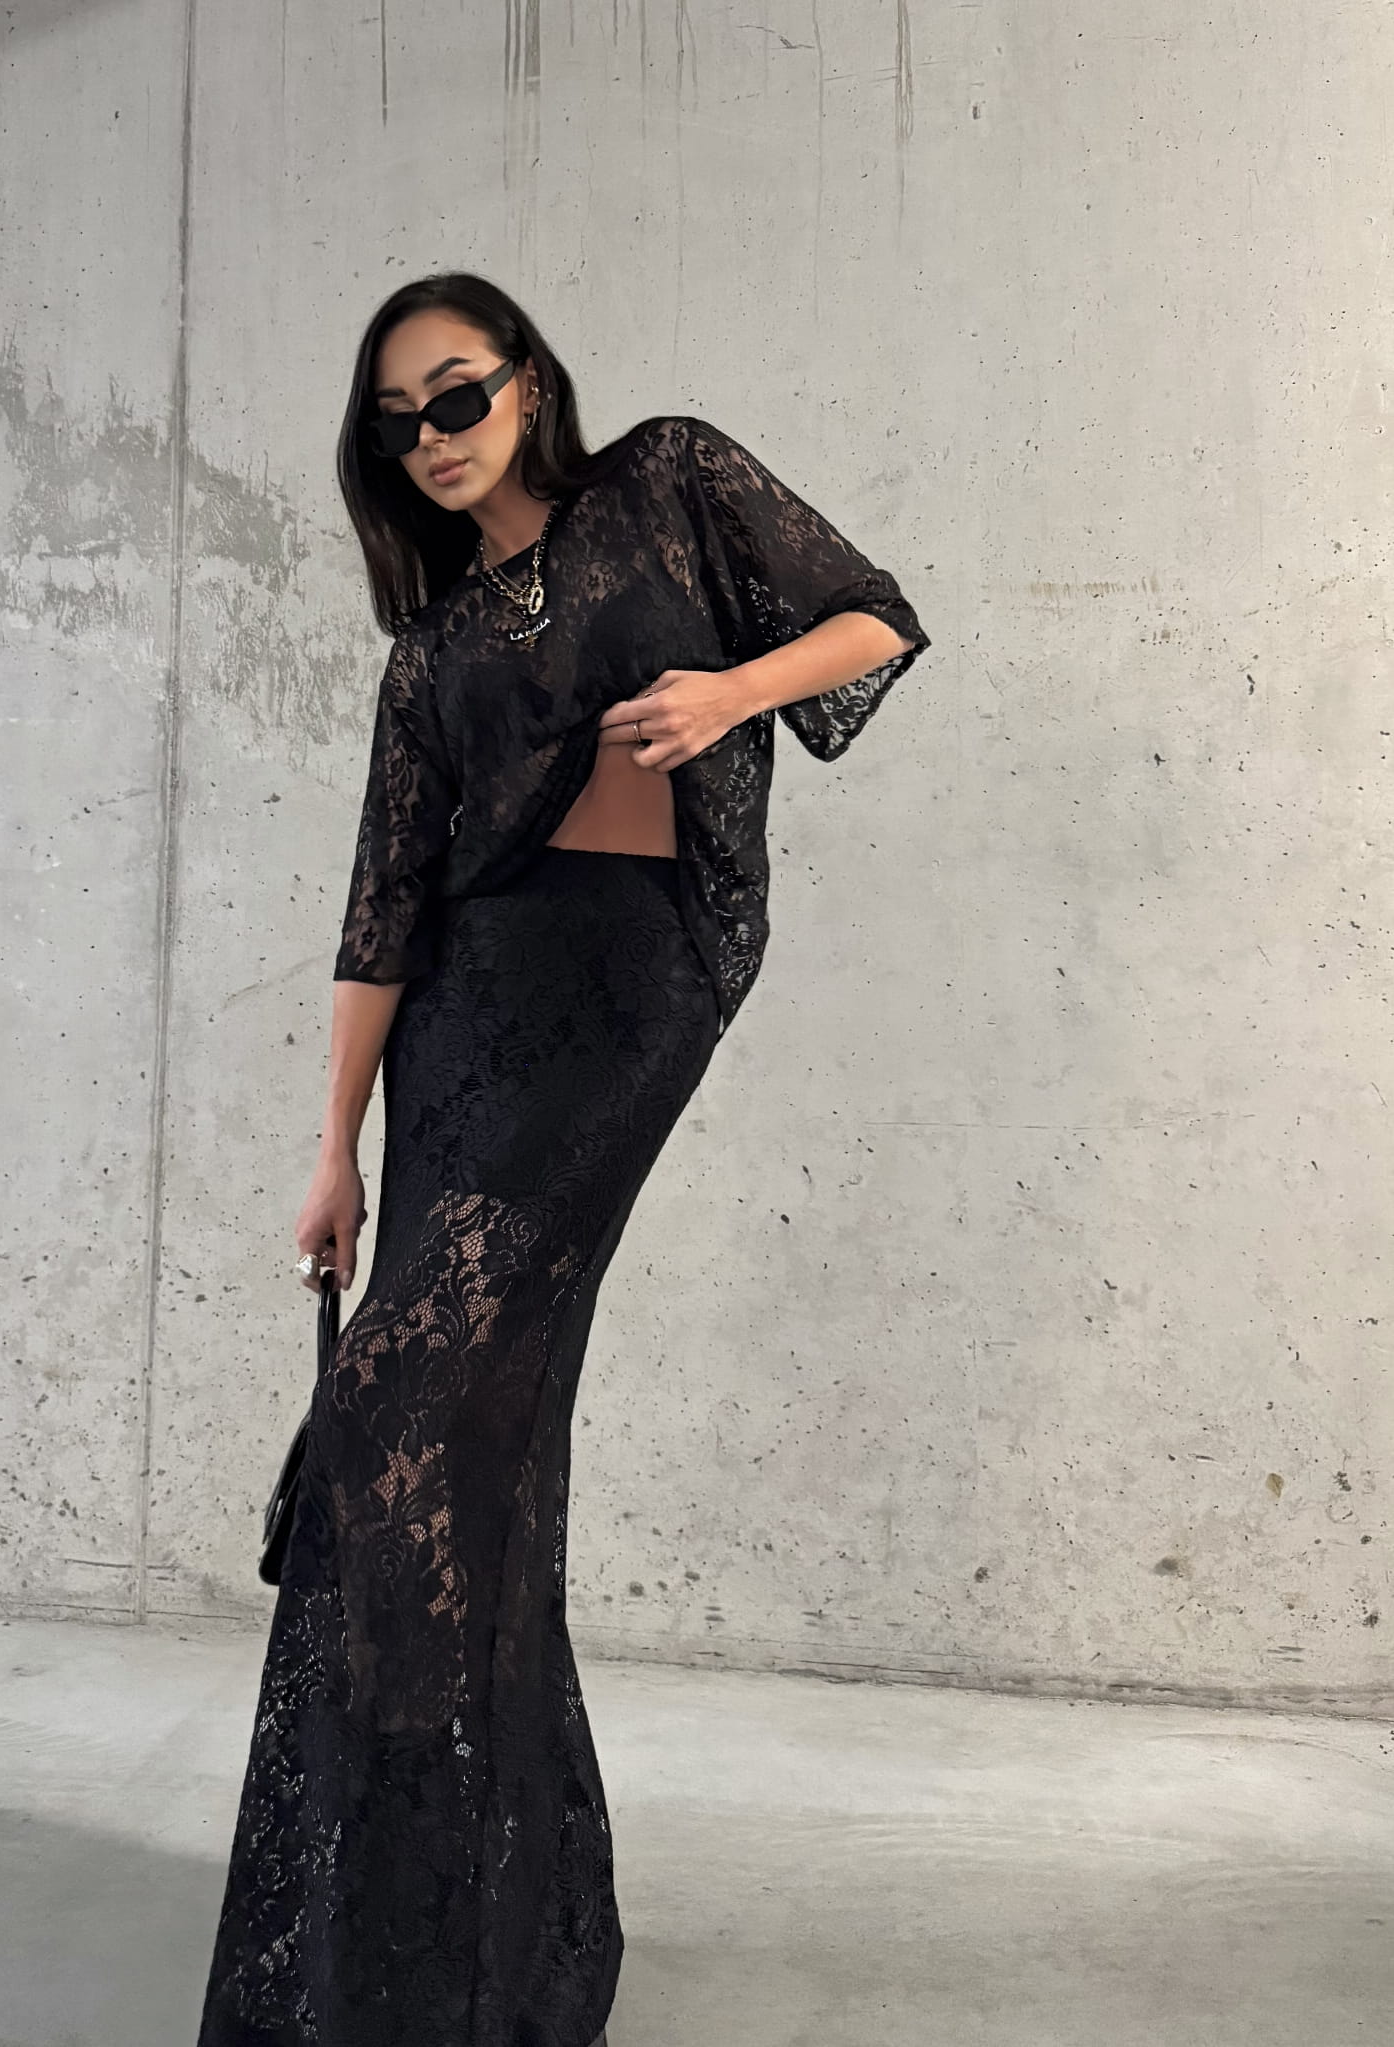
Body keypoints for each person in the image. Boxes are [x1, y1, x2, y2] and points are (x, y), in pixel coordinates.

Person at [195, 272, 930, 2047]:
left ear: (526, 381)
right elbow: (381, 913)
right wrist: (333, 1155)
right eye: (399, 424)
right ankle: (456, 1923)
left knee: (398, 1412)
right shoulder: (430, 653)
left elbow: (875, 622)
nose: (433, 439)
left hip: (625, 991)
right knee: (450, 1463)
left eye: (457, 396)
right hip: (458, 1025)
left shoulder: (665, 479)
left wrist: (726, 693)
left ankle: (465, 1915)